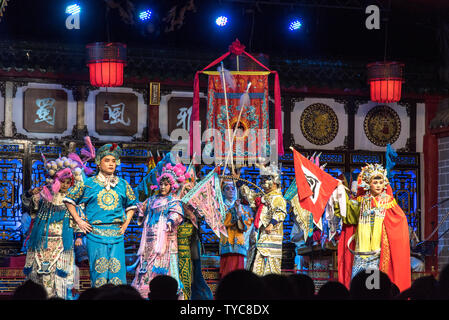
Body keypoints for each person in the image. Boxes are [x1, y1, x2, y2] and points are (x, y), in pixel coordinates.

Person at [64, 143, 138, 288]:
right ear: (98, 162)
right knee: (99, 273)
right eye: (107, 160)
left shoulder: (122, 184)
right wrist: (79, 221)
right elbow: (69, 200)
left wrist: (125, 224)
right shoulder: (88, 183)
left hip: (117, 233)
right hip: (95, 234)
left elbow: (132, 206)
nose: (111, 164)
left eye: (113, 161)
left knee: (118, 274)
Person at [335, 164, 411, 292]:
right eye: (375, 182)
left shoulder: (389, 202)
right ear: (368, 184)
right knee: (358, 286)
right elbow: (348, 216)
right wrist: (340, 192)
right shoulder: (360, 200)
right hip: (360, 252)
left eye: (381, 182)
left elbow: (400, 221)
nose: (378, 185)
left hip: (378, 252)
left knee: (374, 287)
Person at [22, 154, 85, 299]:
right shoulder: (44, 196)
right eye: (62, 181)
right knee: (39, 272)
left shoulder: (74, 199)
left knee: (58, 275)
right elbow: (28, 208)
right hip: (41, 241)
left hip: (62, 242)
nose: (65, 185)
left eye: (68, 182)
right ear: (55, 180)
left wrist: (79, 236)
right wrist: (30, 193)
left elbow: (79, 219)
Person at [131, 162, 189, 299]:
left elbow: (177, 213)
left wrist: (170, 221)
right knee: (145, 263)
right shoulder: (152, 199)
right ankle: (143, 290)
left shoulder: (173, 201)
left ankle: (165, 292)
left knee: (162, 264)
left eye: (166, 184)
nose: (162, 187)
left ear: (172, 186)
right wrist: (137, 208)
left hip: (165, 240)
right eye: (161, 184)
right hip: (149, 239)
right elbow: (142, 210)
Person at [240, 163, 287, 276]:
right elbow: (250, 196)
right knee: (255, 264)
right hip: (259, 235)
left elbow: (280, 213)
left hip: (271, 236)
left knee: (270, 266)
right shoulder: (262, 196)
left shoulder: (278, 198)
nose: (263, 182)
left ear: (275, 182)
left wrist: (271, 224)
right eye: (263, 179)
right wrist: (239, 181)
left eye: (267, 179)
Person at [219, 180, 253, 278]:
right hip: (227, 240)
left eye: (233, 188)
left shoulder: (243, 208)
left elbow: (247, 223)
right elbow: (221, 222)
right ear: (223, 192)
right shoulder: (221, 207)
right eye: (227, 189)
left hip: (239, 240)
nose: (231, 191)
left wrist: (240, 214)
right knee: (227, 270)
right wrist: (235, 213)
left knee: (239, 271)